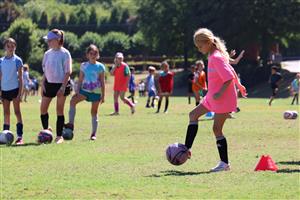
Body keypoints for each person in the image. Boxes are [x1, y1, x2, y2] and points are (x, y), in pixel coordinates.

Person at [184, 28, 247, 172]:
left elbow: (228, 76)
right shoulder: (213, 55)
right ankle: (186, 149)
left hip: (222, 98)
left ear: (208, 42)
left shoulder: (216, 57)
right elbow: (231, 70)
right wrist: (239, 85)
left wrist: (223, 91)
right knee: (193, 115)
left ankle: (224, 164)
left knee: (216, 129)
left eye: (200, 46)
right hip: (212, 97)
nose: (199, 50)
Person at [65, 44, 105, 140]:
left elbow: (102, 82)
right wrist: (77, 91)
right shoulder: (84, 65)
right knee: (73, 101)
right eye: (91, 53)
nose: (93, 55)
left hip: (96, 92)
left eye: (95, 53)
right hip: (85, 91)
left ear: (97, 55)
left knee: (94, 112)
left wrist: (103, 96)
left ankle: (93, 134)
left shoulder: (100, 66)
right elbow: (80, 79)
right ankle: (71, 124)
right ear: (87, 55)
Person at [40, 29, 72, 144]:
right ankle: (46, 131)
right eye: (47, 40)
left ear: (57, 40)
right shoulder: (47, 54)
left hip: (61, 84)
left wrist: (62, 88)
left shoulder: (65, 53)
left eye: (50, 40)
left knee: (59, 110)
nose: (48, 42)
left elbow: (68, 72)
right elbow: (45, 70)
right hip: (49, 84)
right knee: (43, 109)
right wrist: (42, 83)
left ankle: (59, 136)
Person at [0, 38, 24, 144]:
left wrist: (20, 93)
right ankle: (5, 135)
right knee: (6, 113)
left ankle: (19, 137)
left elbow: (21, 78)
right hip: (4, 90)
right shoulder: (1, 61)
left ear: (15, 47)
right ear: (5, 47)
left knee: (17, 112)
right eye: (8, 46)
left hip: (14, 90)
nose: (10, 48)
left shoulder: (18, 60)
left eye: (12, 46)